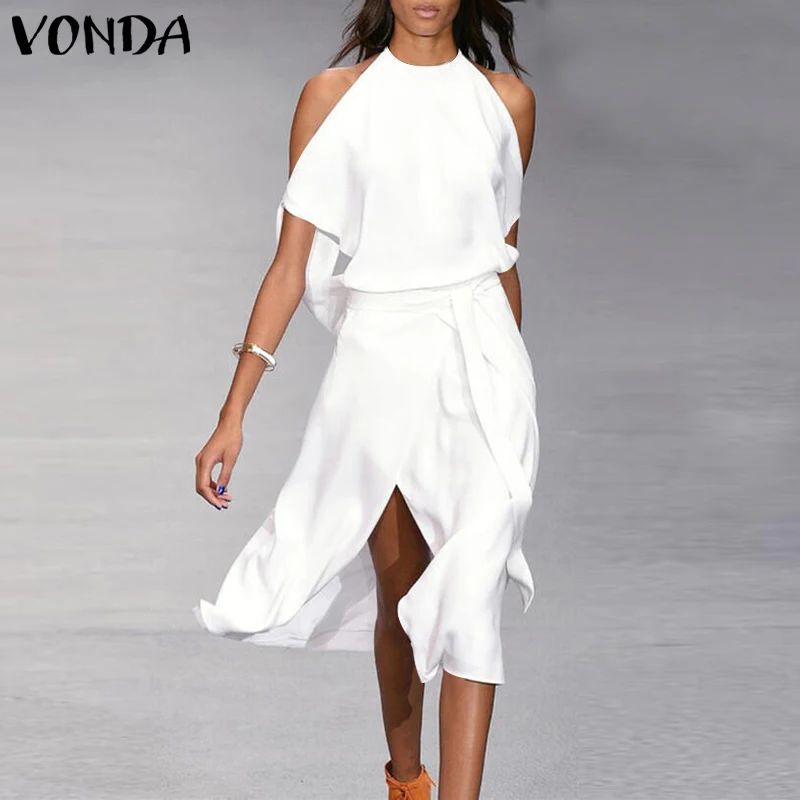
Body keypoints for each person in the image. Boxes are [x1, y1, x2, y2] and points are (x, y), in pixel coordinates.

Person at [192, 1, 538, 798]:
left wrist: (511, 381)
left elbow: (504, 253)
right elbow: (290, 266)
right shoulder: (333, 96)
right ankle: (407, 780)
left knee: (473, 591)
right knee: (403, 590)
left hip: (483, 361)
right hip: (380, 364)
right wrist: (233, 412)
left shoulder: (508, 102)